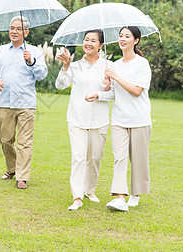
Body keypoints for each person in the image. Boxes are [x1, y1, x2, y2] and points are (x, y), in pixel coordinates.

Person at [87, 26, 152, 212]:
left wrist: (116, 76)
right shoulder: (114, 64)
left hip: (139, 120)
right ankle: (120, 197)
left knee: (138, 159)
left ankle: (135, 195)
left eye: (127, 36)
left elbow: (137, 91)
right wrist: (102, 91)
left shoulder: (142, 64)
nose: (122, 39)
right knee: (119, 158)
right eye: (121, 36)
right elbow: (114, 94)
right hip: (118, 120)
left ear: (136, 40)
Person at [0, 16, 48, 189]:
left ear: (26, 32)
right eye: (12, 28)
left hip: (26, 103)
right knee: (5, 139)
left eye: (18, 28)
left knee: (25, 141)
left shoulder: (33, 52)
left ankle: (22, 176)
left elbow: (42, 74)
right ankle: (12, 168)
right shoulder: (1, 51)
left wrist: (31, 62)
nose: (14, 31)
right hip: (5, 102)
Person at [55, 29, 115, 210]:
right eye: (86, 40)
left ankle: (90, 190)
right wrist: (65, 66)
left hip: (99, 119)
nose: (88, 43)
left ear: (101, 45)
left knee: (95, 158)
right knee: (79, 158)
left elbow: (112, 94)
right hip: (77, 118)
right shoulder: (75, 66)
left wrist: (100, 93)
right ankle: (77, 197)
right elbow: (60, 85)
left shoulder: (109, 66)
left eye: (93, 41)